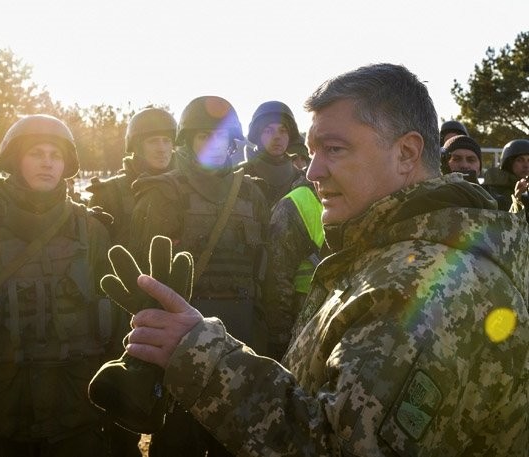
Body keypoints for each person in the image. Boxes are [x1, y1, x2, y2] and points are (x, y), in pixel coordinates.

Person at [112, 64, 528, 456]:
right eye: (312, 151)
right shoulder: (400, 250)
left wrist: (202, 356)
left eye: (334, 149)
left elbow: (335, 446)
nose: (312, 171)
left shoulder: (420, 288)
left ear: (406, 153)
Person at [0, 114, 125, 456]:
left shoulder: (91, 230)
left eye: (56, 155)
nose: (47, 163)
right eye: (36, 153)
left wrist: (115, 390)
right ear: (16, 159)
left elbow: (115, 313)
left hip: (76, 407)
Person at [128, 95, 270, 456]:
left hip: (241, 344)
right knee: (179, 442)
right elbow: (145, 282)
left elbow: (264, 272)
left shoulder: (253, 195)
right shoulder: (163, 194)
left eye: (220, 137)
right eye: (203, 137)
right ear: (188, 142)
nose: (213, 145)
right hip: (182, 344)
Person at [88, 107, 177, 245]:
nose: (162, 149)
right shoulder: (109, 194)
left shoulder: (185, 185)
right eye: (153, 141)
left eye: (166, 140)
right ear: (137, 147)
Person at [261, 171, 323, 360]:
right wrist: (281, 341)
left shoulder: (365, 198)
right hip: (302, 330)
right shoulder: (294, 204)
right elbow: (277, 280)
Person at [241, 101, 303, 207]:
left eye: (283, 131)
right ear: (258, 135)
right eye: (268, 131)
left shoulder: (301, 179)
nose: (277, 137)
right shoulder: (239, 177)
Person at [483, 138, 529, 212]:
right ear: (509, 163)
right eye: (520, 160)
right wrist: (517, 197)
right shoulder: (495, 191)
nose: (526, 165)